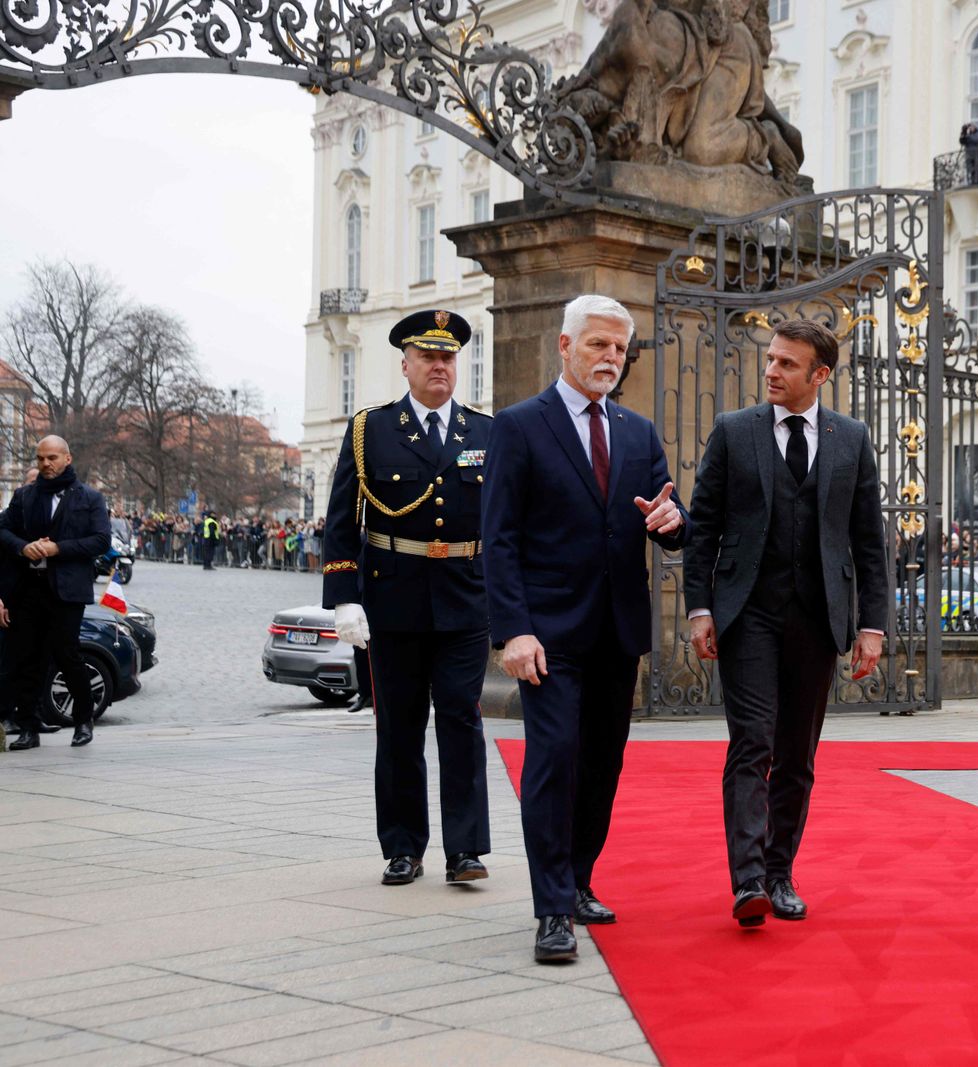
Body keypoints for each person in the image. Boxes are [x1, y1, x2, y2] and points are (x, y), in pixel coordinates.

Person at [481, 294, 688, 963]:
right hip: (547, 634)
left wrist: (672, 523)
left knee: (601, 763)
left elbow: (666, 510)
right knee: (553, 759)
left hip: (617, 631)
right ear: (565, 347)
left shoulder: (637, 431)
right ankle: (550, 908)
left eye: (620, 348)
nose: (610, 358)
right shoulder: (518, 427)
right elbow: (500, 538)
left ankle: (577, 879)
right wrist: (513, 629)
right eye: (598, 345)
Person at [683, 316, 889, 928]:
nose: (772, 371)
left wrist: (872, 624)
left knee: (797, 754)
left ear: (820, 374)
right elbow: (703, 529)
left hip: (818, 618)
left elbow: (869, 542)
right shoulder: (733, 431)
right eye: (770, 360)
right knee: (752, 743)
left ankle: (779, 873)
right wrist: (700, 609)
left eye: (787, 364)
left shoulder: (850, 438)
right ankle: (746, 880)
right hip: (748, 615)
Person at [323, 308, 494, 888]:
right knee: (398, 727)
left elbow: (504, 524)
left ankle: (466, 849)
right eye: (428, 356)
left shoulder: (486, 433)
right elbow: (343, 518)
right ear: (406, 364)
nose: (439, 366)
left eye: (448, 357)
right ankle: (403, 846)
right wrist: (344, 597)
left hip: (466, 599)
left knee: (461, 721)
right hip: (392, 600)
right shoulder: (370, 429)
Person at [0, 436, 111, 749]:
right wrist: (23, 547)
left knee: (67, 654)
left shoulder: (89, 497)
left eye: (51, 458)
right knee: (27, 658)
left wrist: (57, 548)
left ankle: (83, 720)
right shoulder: (24, 496)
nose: (45, 464)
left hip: (67, 591)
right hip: (28, 589)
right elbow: (3, 531)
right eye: (40, 459)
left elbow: (101, 541)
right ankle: (29, 727)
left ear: (67, 458)